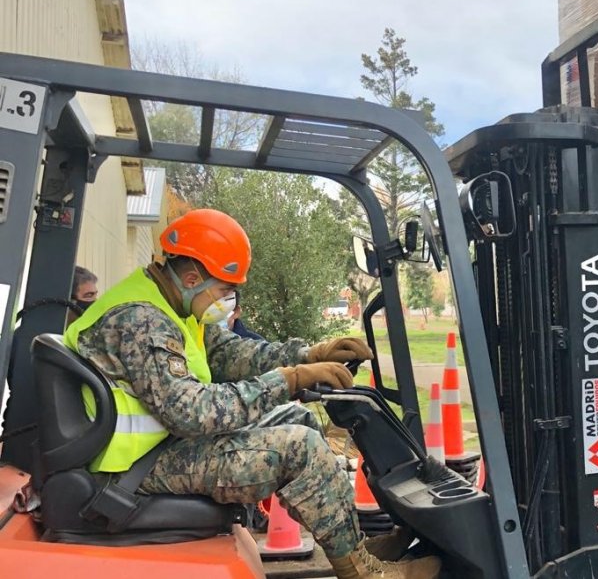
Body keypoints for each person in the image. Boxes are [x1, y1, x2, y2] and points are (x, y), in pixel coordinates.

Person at [64, 208, 439, 579]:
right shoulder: (141, 320)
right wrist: (288, 381)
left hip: (162, 445)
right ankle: (363, 574)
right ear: (193, 278)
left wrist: (308, 355)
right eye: (226, 290)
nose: (229, 300)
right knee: (300, 447)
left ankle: (350, 547)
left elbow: (231, 353)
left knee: (298, 418)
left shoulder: (175, 303)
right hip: (136, 467)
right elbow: (191, 413)